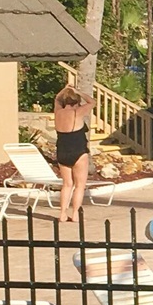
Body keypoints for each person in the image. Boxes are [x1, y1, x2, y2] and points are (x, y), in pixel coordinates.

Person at [51, 85, 94, 224]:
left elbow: (56, 99)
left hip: (62, 151)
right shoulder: (78, 112)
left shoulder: (58, 112)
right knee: (79, 185)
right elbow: (92, 102)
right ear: (76, 102)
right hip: (78, 151)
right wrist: (78, 91)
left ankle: (62, 214)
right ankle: (75, 214)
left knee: (67, 184)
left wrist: (64, 89)